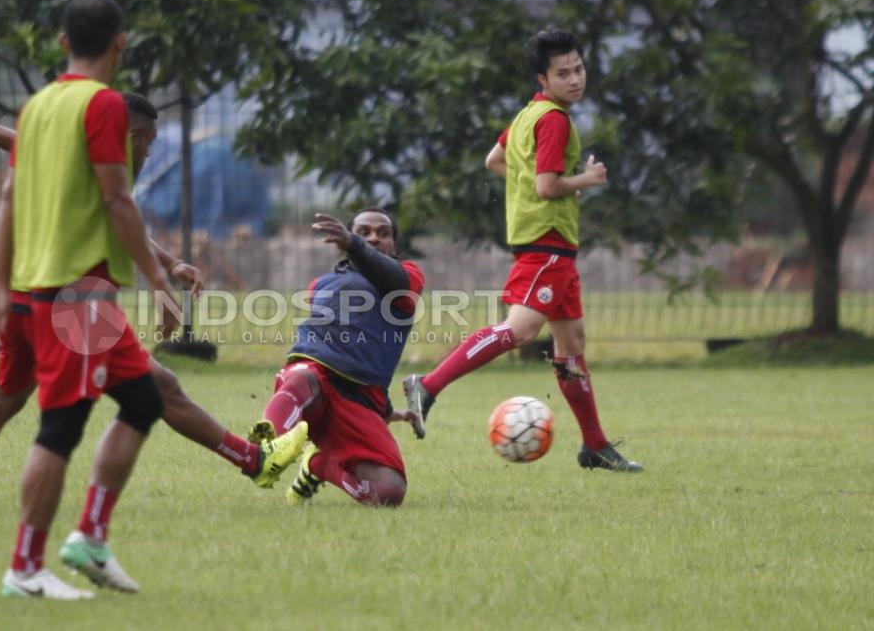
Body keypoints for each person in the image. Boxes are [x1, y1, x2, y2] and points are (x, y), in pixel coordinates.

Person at [0, 84, 308, 522]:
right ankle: (252, 462)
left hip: (25, 298)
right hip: (73, 300)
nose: (148, 153)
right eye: (149, 142)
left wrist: (170, 264)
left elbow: (25, 147)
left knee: (8, 396)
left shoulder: (73, 159)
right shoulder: (102, 166)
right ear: (133, 135)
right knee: (153, 393)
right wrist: (163, 278)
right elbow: (118, 213)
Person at [402, 28, 642, 473]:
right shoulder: (554, 119)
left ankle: (594, 445)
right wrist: (584, 181)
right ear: (543, 79)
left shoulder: (528, 114)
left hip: (555, 250)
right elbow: (547, 187)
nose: (574, 79)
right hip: (546, 244)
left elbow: (494, 160)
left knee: (572, 346)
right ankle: (428, 385)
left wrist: (537, 182)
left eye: (579, 69)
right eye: (562, 73)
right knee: (521, 331)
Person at [248, 207, 425, 507]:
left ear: (394, 245)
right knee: (301, 377)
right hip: (314, 376)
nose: (374, 238)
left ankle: (318, 464)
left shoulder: (408, 279)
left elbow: (375, 353)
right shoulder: (320, 286)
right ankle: (269, 448)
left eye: (384, 233)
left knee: (389, 492)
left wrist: (386, 410)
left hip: (359, 398)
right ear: (347, 239)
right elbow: (348, 346)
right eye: (364, 232)